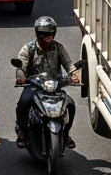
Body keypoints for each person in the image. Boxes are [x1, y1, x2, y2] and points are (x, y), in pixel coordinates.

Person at [15, 16, 81, 149]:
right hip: (34, 86)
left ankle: (66, 133)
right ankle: (23, 131)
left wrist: (74, 74)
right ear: (37, 34)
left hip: (54, 87)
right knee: (23, 104)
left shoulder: (59, 48)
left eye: (49, 35)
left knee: (71, 105)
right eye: (42, 35)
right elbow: (21, 66)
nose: (46, 38)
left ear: (53, 34)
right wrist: (21, 77)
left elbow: (69, 65)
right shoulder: (29, 49)